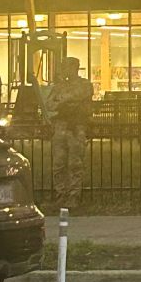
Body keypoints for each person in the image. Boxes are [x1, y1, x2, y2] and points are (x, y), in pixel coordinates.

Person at [46, 56, 94, 207]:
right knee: (58, 163)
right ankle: (61, 194)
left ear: (75, 67)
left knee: (75, 163)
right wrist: (65, 101)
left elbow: (79, 95)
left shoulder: (84, 84)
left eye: (69, 67)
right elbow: (49, 105)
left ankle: (74, 195)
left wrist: (62, 100)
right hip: (61, 126)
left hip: (76, 127)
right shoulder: (59, 86)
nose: (67, 70)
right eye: (65, 67)